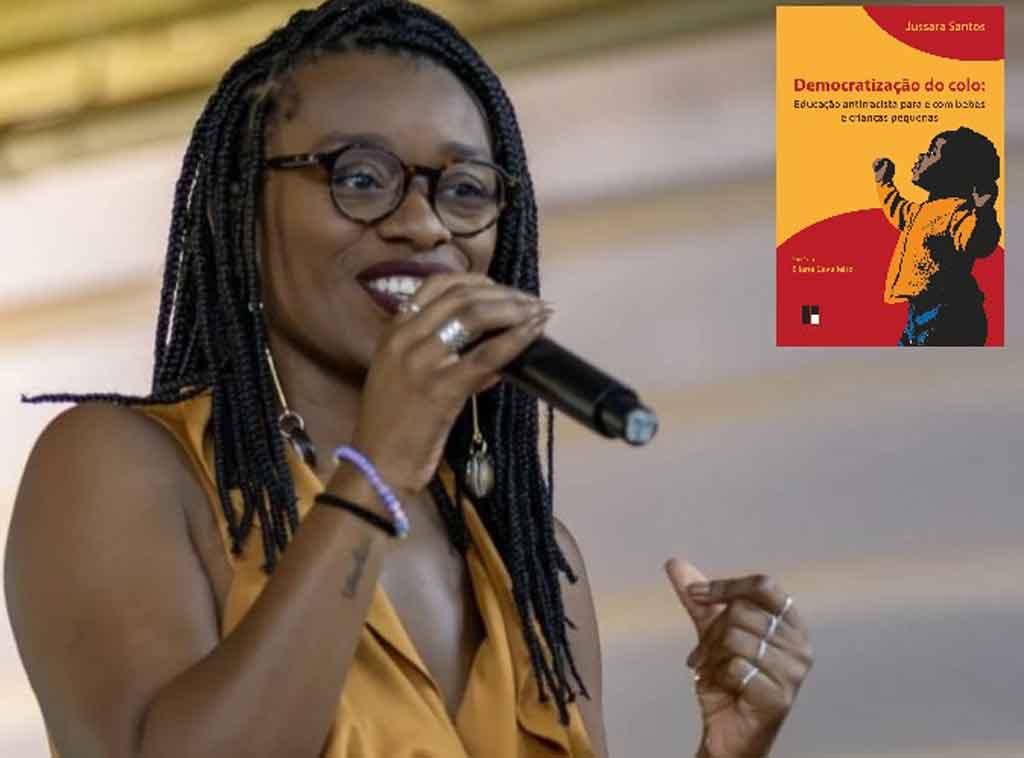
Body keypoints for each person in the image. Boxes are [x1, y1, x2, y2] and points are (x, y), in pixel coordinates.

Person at [4, 2, 813, 757]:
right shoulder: (120, 466)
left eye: (464, 190)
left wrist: (725, 752)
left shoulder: (530, 558)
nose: (424, 225)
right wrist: (378, 471)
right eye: (360, 177)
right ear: (237, 212)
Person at [872, 126, 1001, 346]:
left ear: (954, 170)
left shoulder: (958, 211)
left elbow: (978, 243)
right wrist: (883, 182)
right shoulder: (922, 211)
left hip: (950, 313)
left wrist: (984, 211)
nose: (921, 156)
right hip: (920, 312)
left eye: (932, 153)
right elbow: (897, 208)